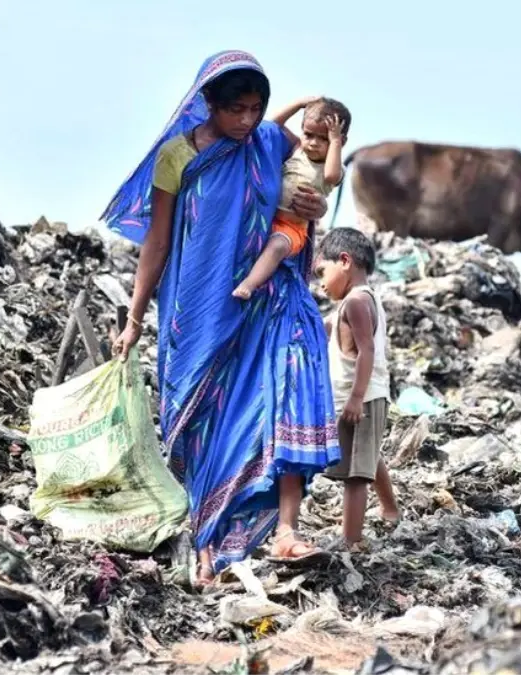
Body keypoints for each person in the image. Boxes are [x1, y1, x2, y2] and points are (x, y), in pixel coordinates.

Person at [101, 51, 341, 586]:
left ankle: (281, 532)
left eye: (257, 109)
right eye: (237, 110)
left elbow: (306, 197)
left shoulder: (271, 145)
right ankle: (206, 544)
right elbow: (158, 241)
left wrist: (315, 210)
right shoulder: (177, 158)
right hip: (196, 310)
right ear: (206, 102)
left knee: (263, 414)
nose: (248, 121)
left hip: (261, 305)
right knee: (200, 427)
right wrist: (136, 317)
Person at [314, 227, 400, 551]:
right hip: (363, 396)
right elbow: (338, 332)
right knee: (366, 457)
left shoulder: (356, 303)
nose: (321, 283)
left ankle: (351, 540)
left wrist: (355, 399)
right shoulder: (356, 301)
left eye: (323, 272)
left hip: (361, 398)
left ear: (345, 261)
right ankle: (390, 509)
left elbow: (366, 350)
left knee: (355, 474)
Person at [232, 96, 351, 300]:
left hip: (292, 228)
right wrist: (299, 104)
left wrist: (335, 142)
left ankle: (249, 284)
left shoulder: (335, 167)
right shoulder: (297, 148)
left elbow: (330, 176)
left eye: (323, 139)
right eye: (309, 134)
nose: (313, 143)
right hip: (266, 219)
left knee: (276, 247)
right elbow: (273, 125)